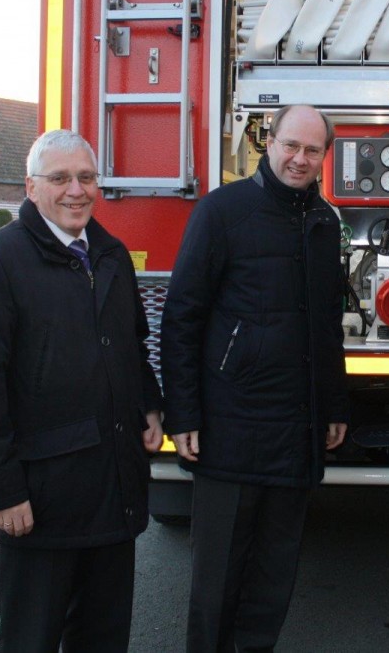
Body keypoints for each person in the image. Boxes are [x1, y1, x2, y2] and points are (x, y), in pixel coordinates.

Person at [0, 129, 164, 652]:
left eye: (86, 178)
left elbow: (131, 342)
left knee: (103, 637)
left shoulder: (109, 255)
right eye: (60, 178)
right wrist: (1, 491)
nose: (76, 190)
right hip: (41, 503)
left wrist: (148, 404)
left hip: (112, 491)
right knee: (31, 639)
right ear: (31, 187)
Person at [161, 103, 349, 651]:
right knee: (217, 580)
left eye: (312, 150)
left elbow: (326, 327)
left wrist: (334, 406)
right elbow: (182, 316)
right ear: (270, 141)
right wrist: (185, 414)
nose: (299, 159)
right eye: (292, 145)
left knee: (273, 576)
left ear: (324, 157)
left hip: (295, 433)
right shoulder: (222, 211)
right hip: (229, 428)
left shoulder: (324, 222)